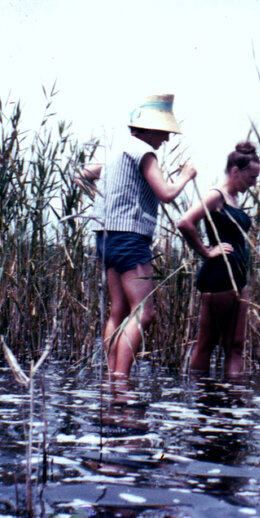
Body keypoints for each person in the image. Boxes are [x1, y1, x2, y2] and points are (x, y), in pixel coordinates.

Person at [78, 94, 197, 377]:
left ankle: (111, 378)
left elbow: (81, 175)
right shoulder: (144, 152)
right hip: (130, 237)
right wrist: (186, 175)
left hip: (106, 235)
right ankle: (121, 380)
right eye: (165, 131)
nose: (166, 139)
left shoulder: (117, 153)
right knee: (144, 312)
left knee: (119, 310)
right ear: (150, 129)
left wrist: (103, 202)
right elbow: (166, 194)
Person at [177, 142, 260, 378]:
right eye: (252, 177)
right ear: (236, 171)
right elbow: (185, 222)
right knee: (207, 344)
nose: (254, 183)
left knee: (236, 346)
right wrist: (205, 251)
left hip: (238, 278)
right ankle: (202, 403)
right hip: (219, 278)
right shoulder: (216, 195)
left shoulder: (233, 199)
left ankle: (231, 405)